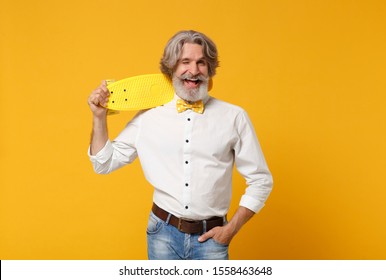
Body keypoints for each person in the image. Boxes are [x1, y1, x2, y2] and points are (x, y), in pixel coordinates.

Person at [87, 30, 273, 260]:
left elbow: (261, 180)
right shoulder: (148, 117)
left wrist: (231, 230)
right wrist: (98, 117)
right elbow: (103, 163)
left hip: (213, 240)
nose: (193, 71)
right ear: (171, 68)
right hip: (162, 235)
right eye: (185, 62)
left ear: (210, 69)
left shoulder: (234, 117)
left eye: (201, 63)